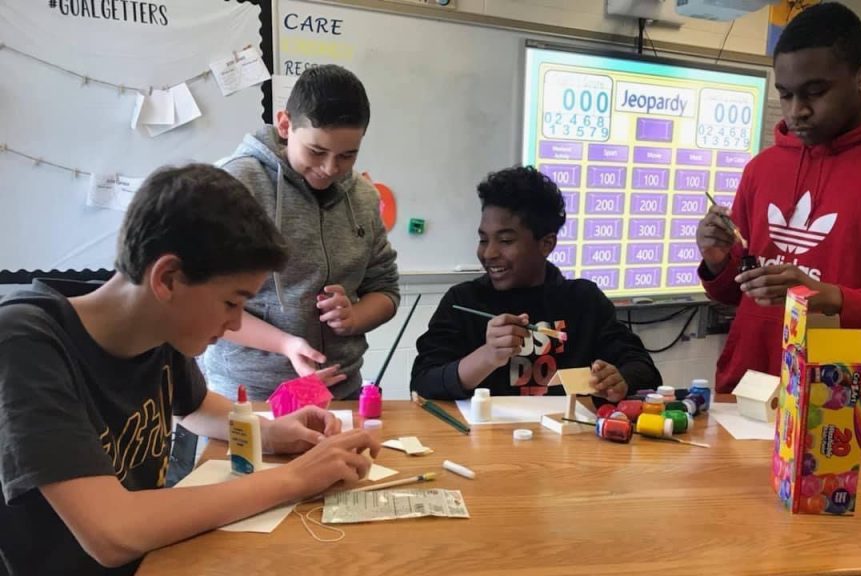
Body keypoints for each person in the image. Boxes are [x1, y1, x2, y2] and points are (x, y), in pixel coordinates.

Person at [0, 165, 381, 576]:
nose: (235, 324)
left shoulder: (159, 329)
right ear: (167, 279)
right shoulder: (25, 341)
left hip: (156, 558)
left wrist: (270, 433)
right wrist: (296, 479)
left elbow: (197, 407)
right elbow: (113, 533)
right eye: (231, 302)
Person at [696, 2, 861, 444]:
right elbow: (742, 294)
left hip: (839, 416)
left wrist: (829, 298)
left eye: (815, 92)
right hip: (748, 397)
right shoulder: (763, 168)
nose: (797, 111)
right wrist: (721, 263)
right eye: (786, 94)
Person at [204, 64, 400, 401]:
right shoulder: (235, 185)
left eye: (347, 155)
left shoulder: (364, 197)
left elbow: (385, 289)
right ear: (285, 124)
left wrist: (355, 317)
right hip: (251, 394)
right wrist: (285, 344)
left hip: (340, 390)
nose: (330, 168)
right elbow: (204, 301)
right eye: (316, 151)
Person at [411, 166, 661, 401]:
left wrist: (619, 379)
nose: (489, 253)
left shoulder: (584, 300)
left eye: (505, 241)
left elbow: (643, 369)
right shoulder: (463, 301)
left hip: (567, 431)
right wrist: (487, 356)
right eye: (483, 240)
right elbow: (422, 384)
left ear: (546, 244)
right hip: (482, 432)